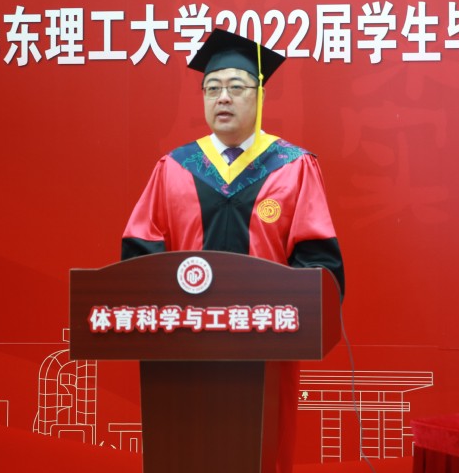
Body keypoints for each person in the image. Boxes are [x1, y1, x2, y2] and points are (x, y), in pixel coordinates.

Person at [122, 28, 345, 473]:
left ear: (259, 96)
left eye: (236, 87)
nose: (222, 97)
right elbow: (140, 251)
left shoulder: (292, 167)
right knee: (186, 448)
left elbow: (318, 259)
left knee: (262, 450)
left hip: (265, 345)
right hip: (185, 345)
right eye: (212, 88)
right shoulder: (174, 168)